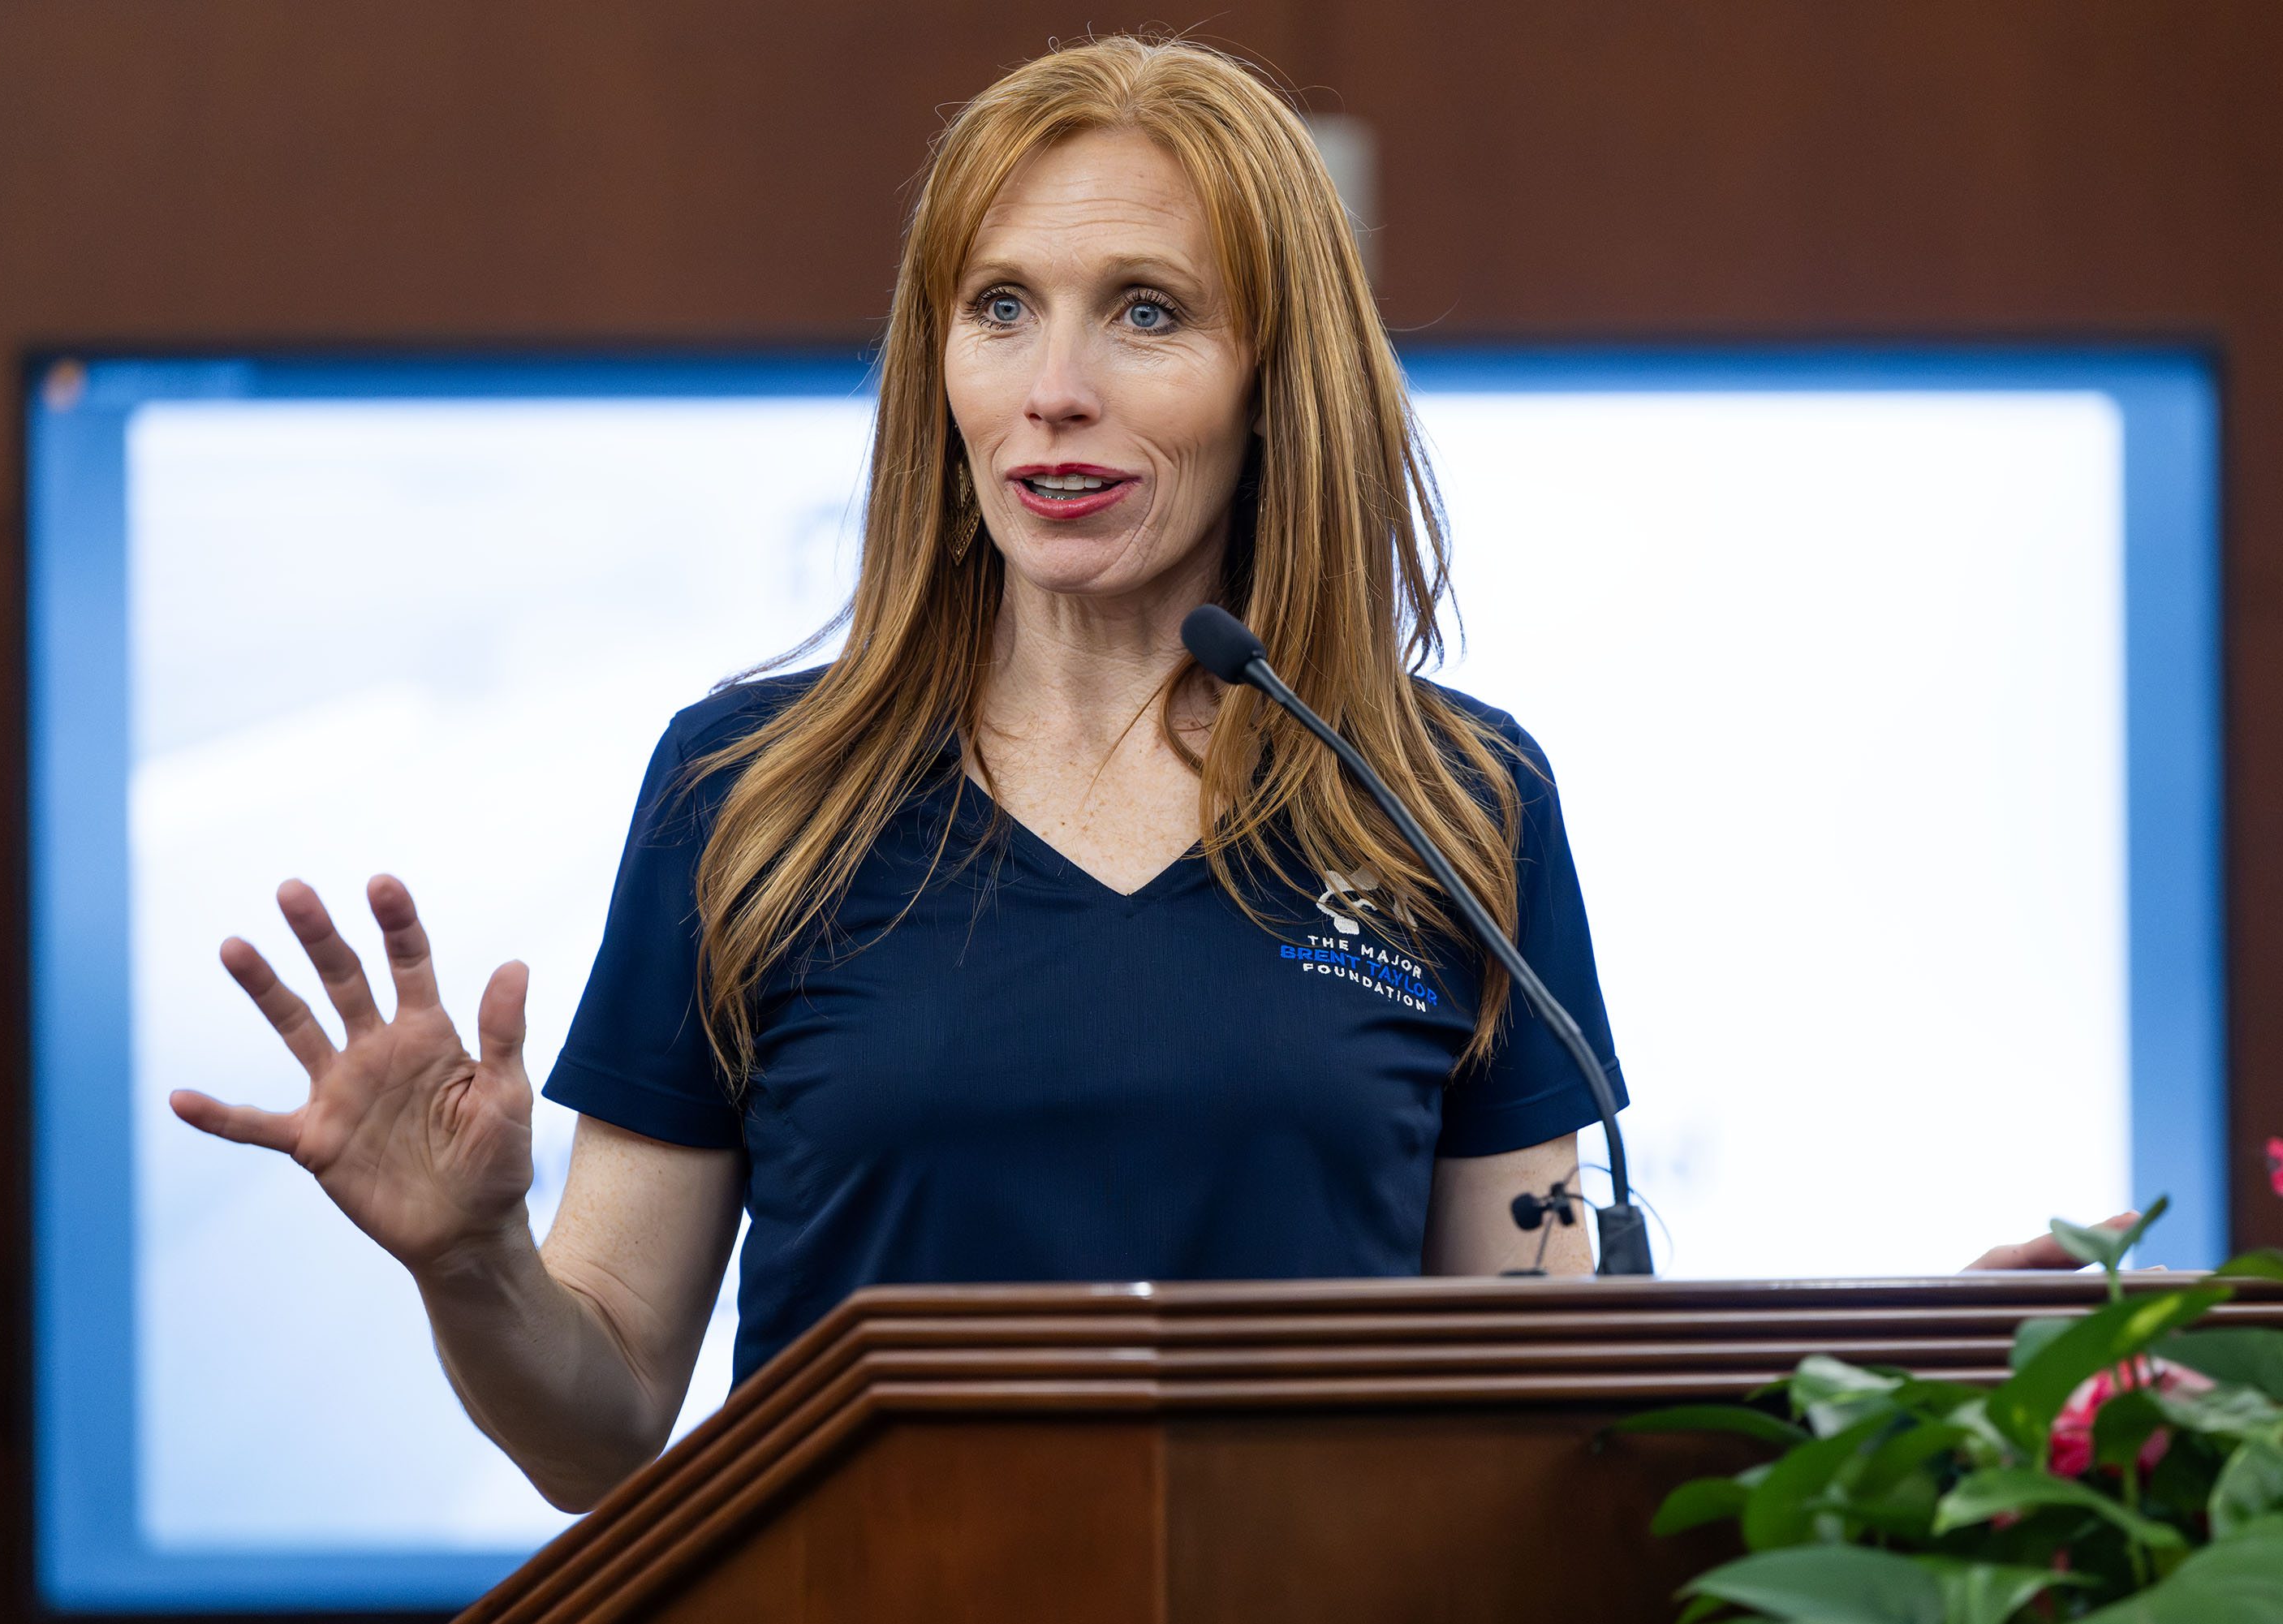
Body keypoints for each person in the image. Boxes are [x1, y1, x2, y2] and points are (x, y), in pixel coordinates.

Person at [170, 36, 2107, 1516]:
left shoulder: (1452, 802)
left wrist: (1889, 1367)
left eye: (1147, 314)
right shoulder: (747, 794)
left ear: (1282, 380)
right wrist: (473, 1265)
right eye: (999, 307)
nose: (1052, 390)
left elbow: (1539, 1393)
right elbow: (600, 1433)